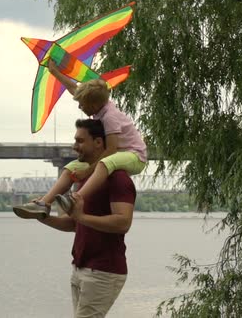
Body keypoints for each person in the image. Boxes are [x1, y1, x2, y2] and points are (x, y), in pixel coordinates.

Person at [13, 60, 146, 219]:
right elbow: (73, 88)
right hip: (118, 155)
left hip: (134, 156)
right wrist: (54, 72)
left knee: (105, 163)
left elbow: (110, 150)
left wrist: (87, 172)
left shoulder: (110, 117)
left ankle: (74, 199)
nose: (79, 107)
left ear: (94, 104)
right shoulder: (100, 105)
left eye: (82, 104)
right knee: (70, 167)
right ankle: (43, 204)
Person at [32, 119, 136, 317]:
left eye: (80, 141)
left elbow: (123, 223)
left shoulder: (118, 178)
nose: (74, 146)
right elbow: (74, 223)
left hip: (104, 271)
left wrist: (82, 216)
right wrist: (43, 217)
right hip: (81, 267)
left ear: (98, 142)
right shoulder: (85, 178)